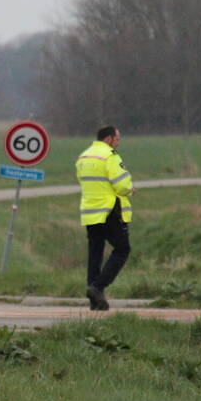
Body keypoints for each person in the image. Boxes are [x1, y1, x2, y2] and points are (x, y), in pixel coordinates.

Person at [76, 126, 134, 311]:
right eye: (117, 139)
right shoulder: (110, 156)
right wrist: (130, 189)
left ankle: (95, 300)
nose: (119, 143)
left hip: (90, 212)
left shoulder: (83, 157)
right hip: (109, 211)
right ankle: (98, 287)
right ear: (109, 139)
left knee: (95, 252)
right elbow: (122, 184)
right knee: (122, 249)